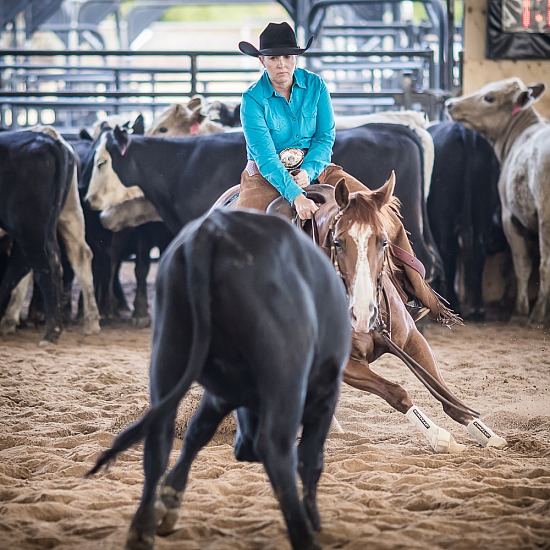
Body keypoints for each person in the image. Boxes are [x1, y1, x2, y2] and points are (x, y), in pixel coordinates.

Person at [237, 21, 341, 220]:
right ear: (262, 61)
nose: (281, 64)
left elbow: (325, 137)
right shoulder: (252, 99)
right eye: (273, 57)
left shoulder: (316, 85)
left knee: (371, 206)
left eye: (287, 56)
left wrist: (308, 171)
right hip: (264, 175)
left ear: (295, 58)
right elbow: (265, 156)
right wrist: (295, 195)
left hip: (314, 166)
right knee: (247, 231)